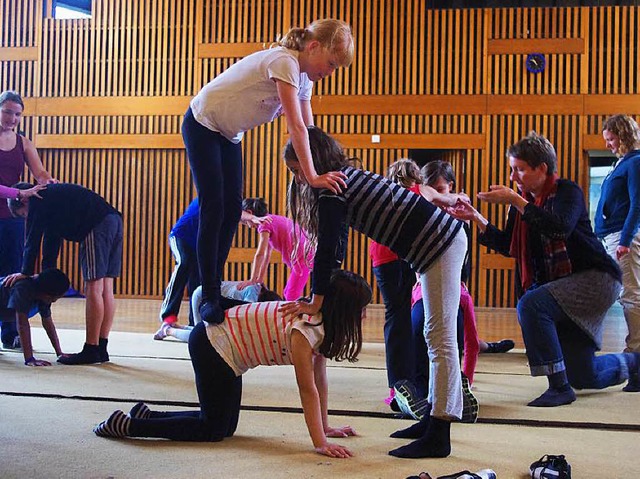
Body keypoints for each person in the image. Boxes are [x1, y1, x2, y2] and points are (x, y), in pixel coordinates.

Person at [280, 126, 468, 459]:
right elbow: (335, 245)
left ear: (312, 160)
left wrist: (316, 301)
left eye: (298, 170)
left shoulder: (333, 185)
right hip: (433, 247)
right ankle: (432, 420)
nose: (299, 178)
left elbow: (328, 249)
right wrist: (317, 295)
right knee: (432, 335)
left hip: (441, 243)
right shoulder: (341, 179)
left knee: (441, 338)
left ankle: (440, 431)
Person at [93, 269, 370, 460]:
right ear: (342, 310)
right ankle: (128, 426)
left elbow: (320, 381)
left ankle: (148, 415)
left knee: (224, 427)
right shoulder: (304, 330)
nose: (365, 315)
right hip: (213, 344)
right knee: (211, 429)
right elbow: (307, 390)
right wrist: (320, 442)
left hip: (227, 351)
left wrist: (327, 426)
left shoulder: (319, 327)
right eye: (361, 309)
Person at [182, 19, 353, 326]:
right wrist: (313, 178)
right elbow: (295, 125)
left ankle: (215, 288)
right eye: (330, 63)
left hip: (229, 134)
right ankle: (207, 293)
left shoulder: (303, 77)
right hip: (202, 123)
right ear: (313, 47)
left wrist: (323, 167)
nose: (330, 72)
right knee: (214, 206)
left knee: (233, 209)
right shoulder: (284, 61)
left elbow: (310, 130)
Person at [450, 131, 640, 406]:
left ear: (541, 169)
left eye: (520, 169)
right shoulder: (523, 202)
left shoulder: (567, 192)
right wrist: (476, 217)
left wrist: (516, 201)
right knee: (585, 375)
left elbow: (558, 228)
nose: (513, 177)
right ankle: (635, 364)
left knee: (531, 305)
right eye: (512, 169)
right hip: (565, 285)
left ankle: (559, 388)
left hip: (595, 279)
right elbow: (508, 245)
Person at [4, 182, 123, 365]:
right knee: (106, 288)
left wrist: (25, 273)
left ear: (24, 201)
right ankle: (101, 348)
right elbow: (51, 243)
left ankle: (91, 348)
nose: (28, 218)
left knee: (93, 285)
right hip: (113, 220)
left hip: (95, 224)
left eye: (24, 215)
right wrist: (45, 276)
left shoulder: (37, 200)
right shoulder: (52, 201)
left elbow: (32, 239)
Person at [157, 197, 272, 338]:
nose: (254, 227)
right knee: (184, 262)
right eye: (253, 224)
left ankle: (195, 324)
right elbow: (235, 209)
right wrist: (252, 217)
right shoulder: (216, 197)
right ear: (248, 212)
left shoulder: (228, 221)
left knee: (198, 285)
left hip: (198, 247)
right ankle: (168, 315)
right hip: (181, 237)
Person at [0, 90, 58, 350]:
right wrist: (19, 192)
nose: (13, 118)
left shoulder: (24, 143)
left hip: (12, 219)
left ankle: (10, 331)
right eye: (8, 112)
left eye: (18, 114)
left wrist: (49, 182)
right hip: (12, 201)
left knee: (13, 274)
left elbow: (41, 172)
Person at [367, 159, 419, 410]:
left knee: (396, 319)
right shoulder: (416, 194)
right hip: (400, 258)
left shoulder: (383, 194)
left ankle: (397, 384)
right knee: (404, 321)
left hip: (381, 259)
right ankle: (402, 384)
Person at [595, 114, 640, 354]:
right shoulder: (622, 163)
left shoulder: (635, 162)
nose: (607, 144)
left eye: (611, 139)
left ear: (623, 136)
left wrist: (624, 240)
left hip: (623, 238)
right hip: (612, 238)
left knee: (631, 295)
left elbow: (637, 204)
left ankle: (636, 352)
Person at [238, 197, 314, 301]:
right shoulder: (271, 220)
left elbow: (260, 254)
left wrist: (252, 280)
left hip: (304, 256)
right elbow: (266, 255)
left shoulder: (264, 224)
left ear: (249, 213)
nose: (248, 226)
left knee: (291, 294)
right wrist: (259, 279)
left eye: (246, 223)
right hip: (305, 254)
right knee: (288, 292)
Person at [155, 282, 283, 342]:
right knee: (202, 339)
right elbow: (245, 318)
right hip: (203, 297)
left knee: (202, 331)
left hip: (204, 294)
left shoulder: (257, 289)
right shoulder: (253, 299)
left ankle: (177, 327)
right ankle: (167, 330)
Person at [0, 268, 70, 366]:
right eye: (56, 298)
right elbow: (22, 324)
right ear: (48, 296)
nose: (54, 301)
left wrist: (59, 353)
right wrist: (29, 359)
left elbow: (48, 323)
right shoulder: (23, 288)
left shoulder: (44, 296)